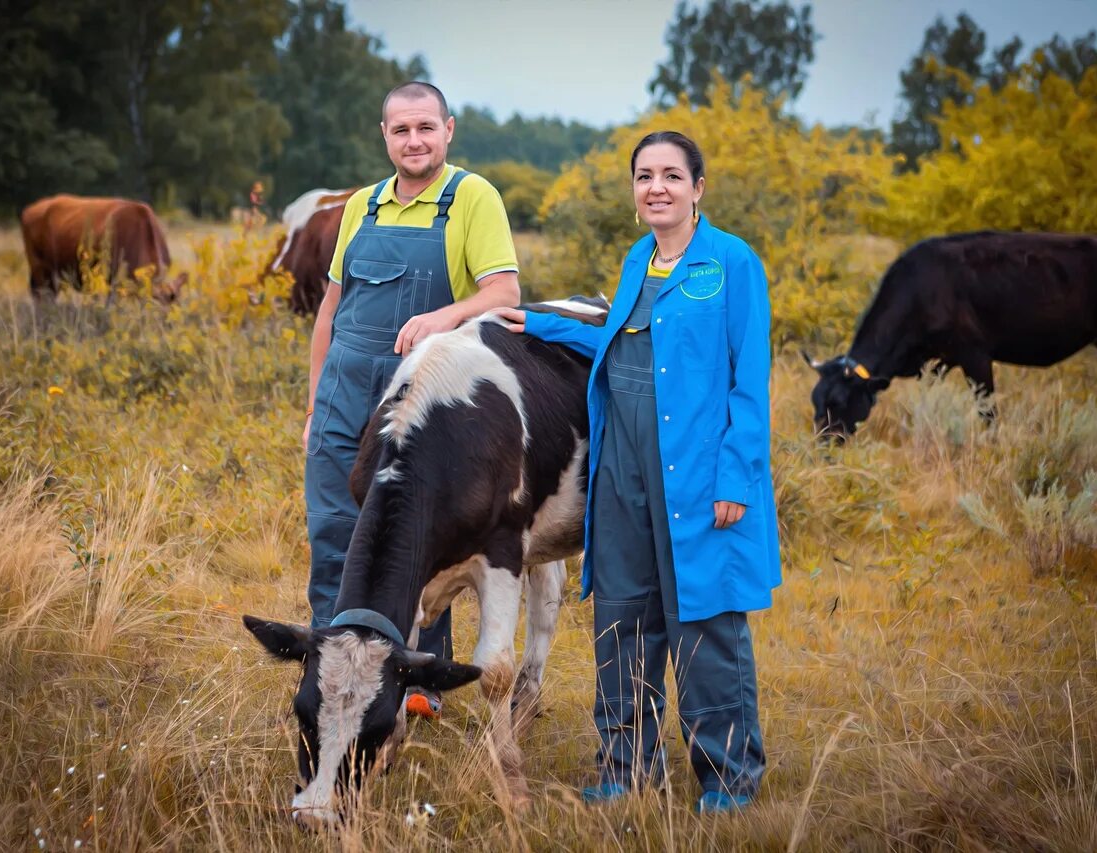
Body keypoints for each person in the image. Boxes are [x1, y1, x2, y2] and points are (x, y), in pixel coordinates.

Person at [494, 131, 781, 813]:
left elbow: (750, 381)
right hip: (620, 468)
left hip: (699, 472)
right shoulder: (638, 260)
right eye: (645, 175)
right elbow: (619, 347)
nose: (657, 187)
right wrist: (538, 322)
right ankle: (625, 769)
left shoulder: (732, 263)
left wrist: (736, 479)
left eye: (672, 176)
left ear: (698, 188)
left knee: (705, 623)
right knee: (621, 618)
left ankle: (730, 777)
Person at [302, 81, 521, 719]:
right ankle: (332, 675)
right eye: (401, 130)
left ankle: (415, 686)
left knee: (417, 539)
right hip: (345, 393)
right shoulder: (361, 207)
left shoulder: (472, 197)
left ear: (448, 130)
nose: (414, 141)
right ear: (385, 136)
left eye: (426, 128)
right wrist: (318, 402)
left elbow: (504, 293)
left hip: (419, 400)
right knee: (335, 535)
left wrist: (441, 316)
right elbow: (330, 309)